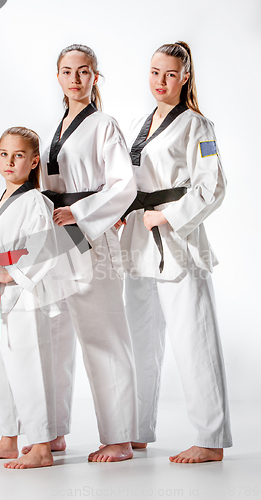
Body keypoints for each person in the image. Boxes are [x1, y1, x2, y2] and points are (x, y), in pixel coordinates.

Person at [23, 44, 138, 462]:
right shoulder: (54, 130)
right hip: (57, 235)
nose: (75, 79)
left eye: (84, 71)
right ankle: (52, 432)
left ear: (95, 77)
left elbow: (123, 185)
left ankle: (120, 436)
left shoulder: (104, 124)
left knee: (102, 334)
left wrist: (83, 211)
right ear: (58, 77)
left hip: (90, 235)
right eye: (67, 71)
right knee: (54, 335)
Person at [120, 41, 232, 463]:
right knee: (140, 340)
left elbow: (212, 186)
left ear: (185, 76)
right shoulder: (138, 122)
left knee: (194, 338)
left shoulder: (198, 126)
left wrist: (168, 216)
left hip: (178, 245)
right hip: (136, 242)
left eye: (169, 74)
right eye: (154, 72)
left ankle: (211, 439)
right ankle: (137, 430)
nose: (160, 82)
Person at [0, 127, 59, 469]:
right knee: (2, 367)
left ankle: (40, 445)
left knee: (28, 367)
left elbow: (45, 248)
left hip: (24, 297)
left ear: (34, 161)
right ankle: (9, 438)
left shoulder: (35, 200)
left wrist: (11, 273)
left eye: (19, 155)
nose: (10, 161)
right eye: (4, 154)